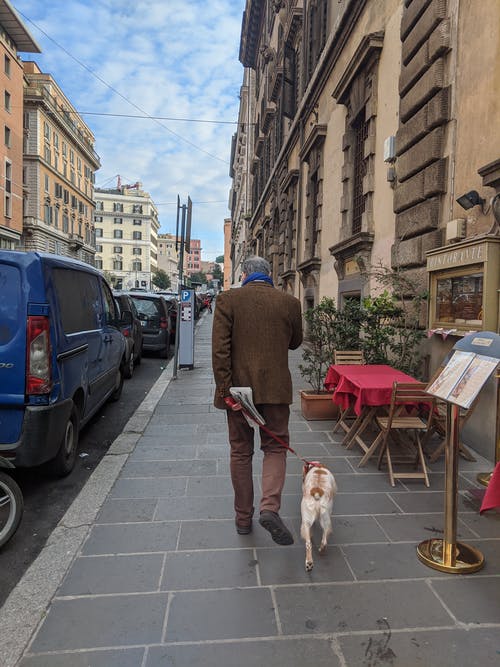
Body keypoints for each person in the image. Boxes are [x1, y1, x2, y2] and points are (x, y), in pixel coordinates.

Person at [212, 256, 303, 544]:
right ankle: (269, 508)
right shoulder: (290, 303)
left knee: (240, 451)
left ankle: (242, 519)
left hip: (238, 393)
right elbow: (295, 342)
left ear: (244, 274)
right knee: (275, 448)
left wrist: (226, 392)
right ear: (269, 274)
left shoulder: (228, 300)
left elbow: (219, 351)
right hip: (275, 390)